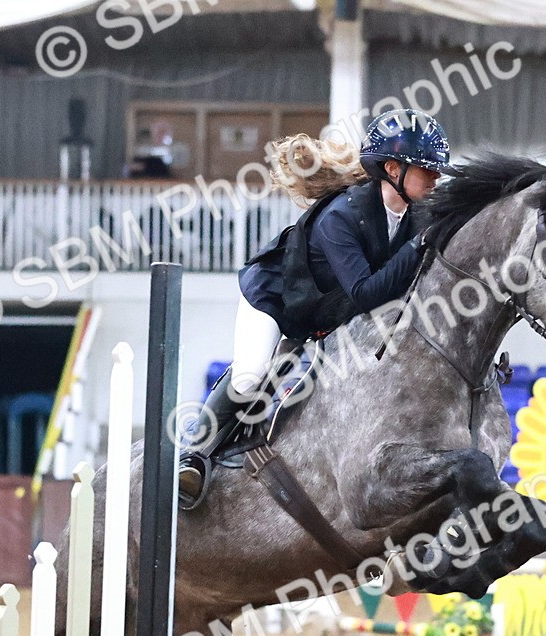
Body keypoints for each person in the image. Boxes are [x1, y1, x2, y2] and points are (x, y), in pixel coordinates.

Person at [177, 109, 455, 508]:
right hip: (276, 299)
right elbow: (366, 293)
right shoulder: (341, 216)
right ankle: (194, 455)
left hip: (327, 316)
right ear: (393, 169)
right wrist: (420, 245)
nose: (436, 178)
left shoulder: (415, 216)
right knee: (251, 378)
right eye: (427, 170)